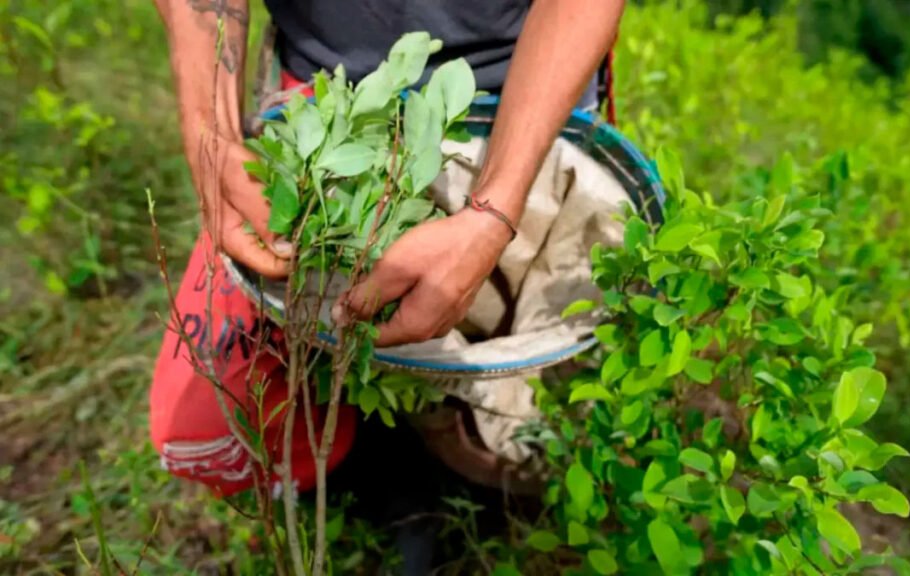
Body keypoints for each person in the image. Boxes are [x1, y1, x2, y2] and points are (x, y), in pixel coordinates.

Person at [148, 0, 624, 571]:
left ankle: (485, 492)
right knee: (212, 414)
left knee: (529, 372)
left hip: (529, 94)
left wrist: (492, 212)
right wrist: (211, 133)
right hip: (329, 99)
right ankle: (387, 489)